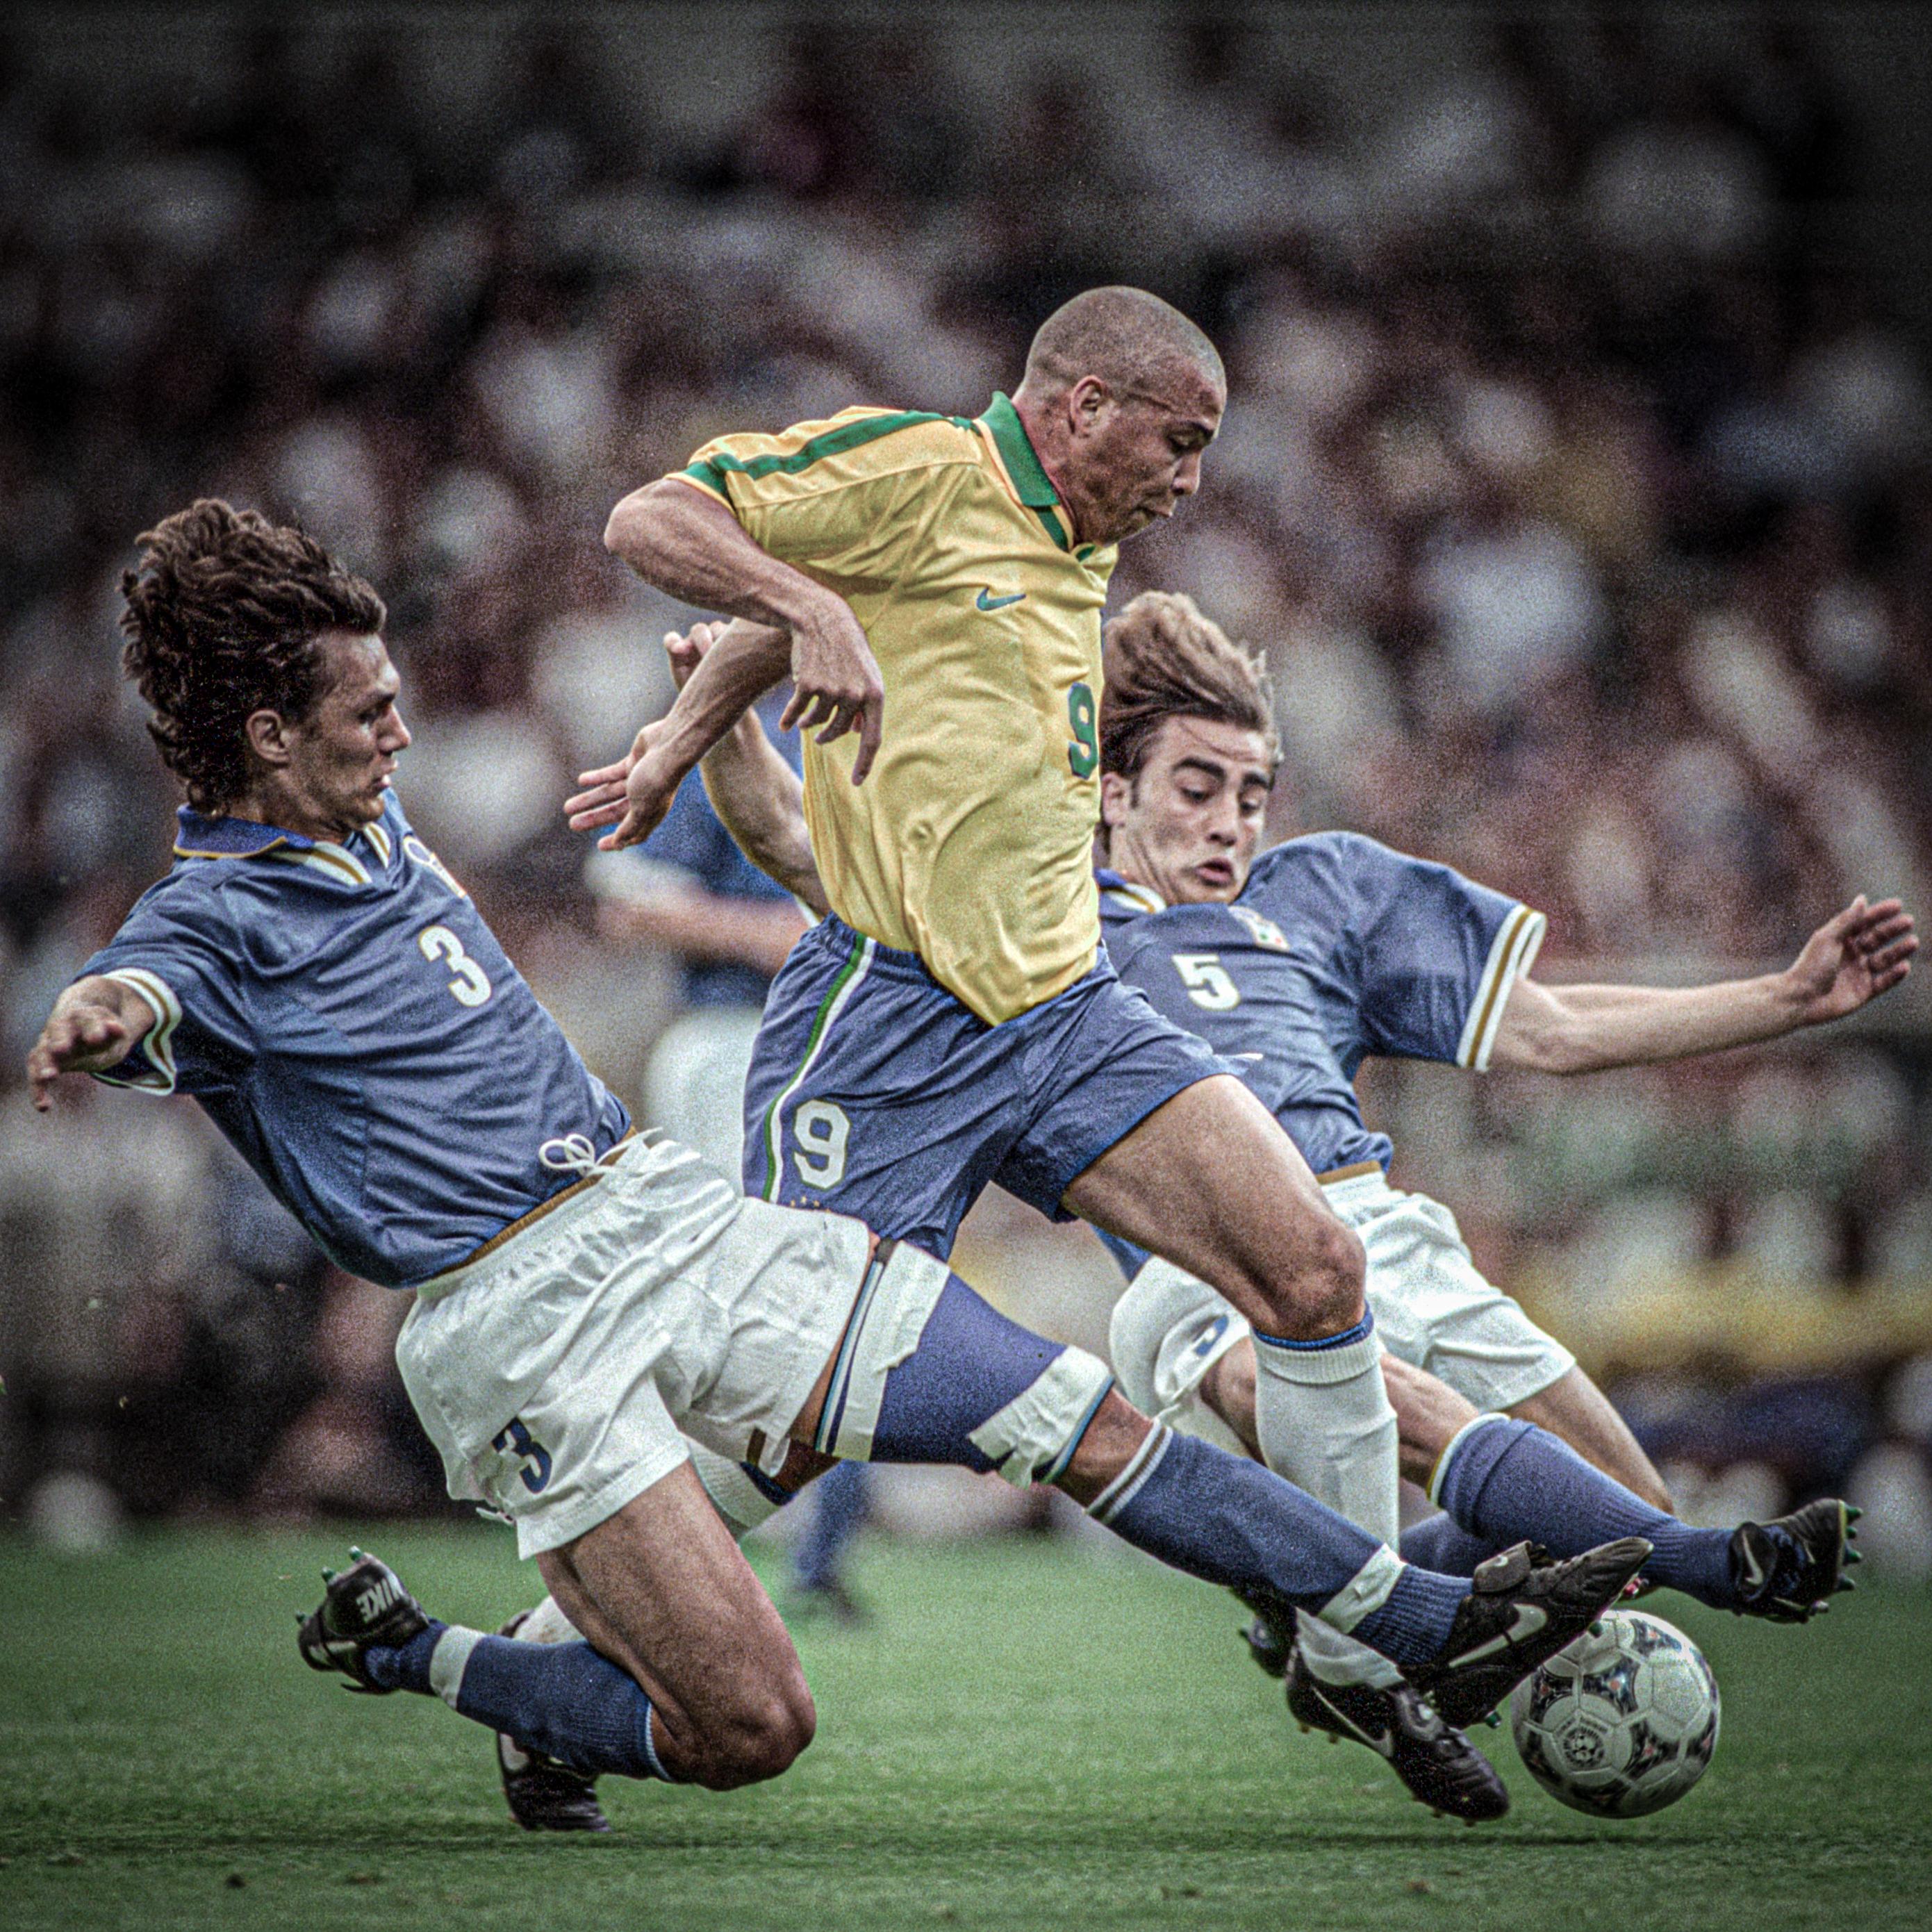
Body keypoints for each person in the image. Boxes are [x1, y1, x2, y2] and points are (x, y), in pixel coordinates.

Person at [28, 502, 1648, 1819]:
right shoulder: (212, 919)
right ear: (266, 736)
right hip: (521, 1323)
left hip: (663, 1212)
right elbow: (142, 984)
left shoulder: (358, 820)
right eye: (367, 708)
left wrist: (737, 665)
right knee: (748, 1725)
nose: (402, 726)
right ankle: (428, 1656)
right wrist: (104, 1011)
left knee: (1074, 1414)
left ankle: (1419, 1619)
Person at [654, 598, 1872, 1815]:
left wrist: (1781, 998)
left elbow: (1547, 1027)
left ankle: (1329, 1613)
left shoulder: (1329, 890)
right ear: (1110, 792)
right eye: (1196, 787)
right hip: (1200, 1272)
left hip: (1386, 1231)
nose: (1229, 821)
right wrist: (723, 717)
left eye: (1250, 793)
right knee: (1334, 1354)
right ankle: (1669, 1568)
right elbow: (800, 844)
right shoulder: (1037, 916)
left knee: (1616, 1514)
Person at [571, 289, 1417, 1733]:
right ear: (1083, 406)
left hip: (1062, 1010)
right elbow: (648, 521)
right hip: (887, 1021)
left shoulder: (1075, 541)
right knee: (783, 1422)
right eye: (1180, 440)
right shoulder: (922, 471)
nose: (1191, 481)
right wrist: (798, 614)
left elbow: (802, 631)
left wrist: (683, 727)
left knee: (1316, 1270)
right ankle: (548, 1662)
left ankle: (1361, 1666)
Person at [588, 672, 872, 1624]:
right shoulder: (727, 723)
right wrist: (800, 935)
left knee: (846, 1294)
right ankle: (659, 1541)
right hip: (732, 1040)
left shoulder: (889, 722)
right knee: (739, 1301)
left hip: (848, 1050)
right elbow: (631, 902)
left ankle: (817, 1554)